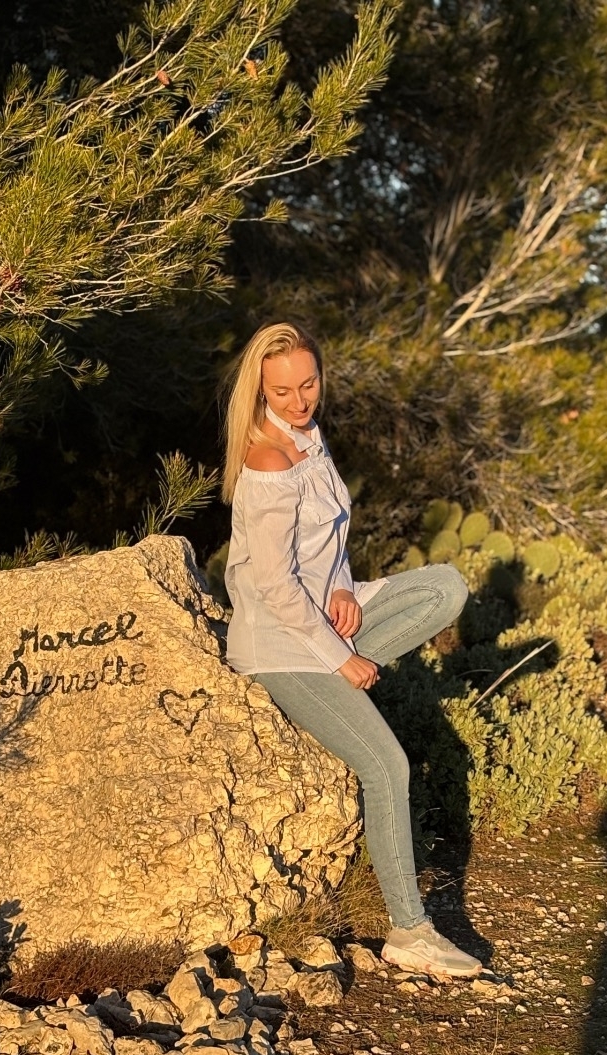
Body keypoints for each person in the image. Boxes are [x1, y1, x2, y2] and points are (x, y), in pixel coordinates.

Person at [221, 321, 482, 978]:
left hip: (324, 616)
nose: (299, 401)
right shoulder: (267, 460)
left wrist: (341, 587)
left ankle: (340, 687)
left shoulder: (309, 437)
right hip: (280, 644)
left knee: (445, 588)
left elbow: (330, 540)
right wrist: (341, 659)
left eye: (308, 384)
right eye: (282, 392)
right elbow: (275, 585)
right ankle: (410, 932)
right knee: (387, 766)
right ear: (260, 391)